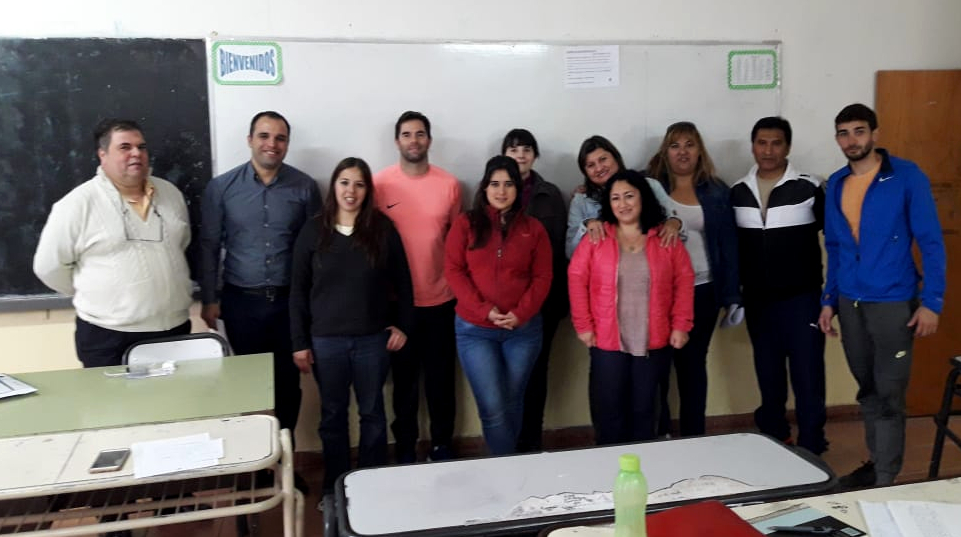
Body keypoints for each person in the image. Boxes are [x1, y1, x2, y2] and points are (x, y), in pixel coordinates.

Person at [818, 103, 945, 487]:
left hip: (893, 302)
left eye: (859, 131)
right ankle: (876, 464)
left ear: (875, 133)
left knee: (890, 394)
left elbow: (931, 241)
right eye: (843, 133)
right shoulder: (837, 183)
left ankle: (886, 478)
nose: (851, 140)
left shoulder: (906, 177)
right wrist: (828, 300)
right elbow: (837, 249)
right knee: (868, 390)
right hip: (850, 302)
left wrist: (932, 302)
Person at [289, 157, 414, 491]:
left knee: (373, 414)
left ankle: (369, 486)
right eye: (344, 182)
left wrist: (403, 325)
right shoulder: (313, 230)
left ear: (367, 190)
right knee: (332, 417)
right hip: (326, 342)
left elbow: (403, 282)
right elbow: (298, 290)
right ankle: (336, 487)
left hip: (372, 341)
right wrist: (299, 342)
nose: (351, 191)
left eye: (359, 184)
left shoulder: (382, 228)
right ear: (334, 186)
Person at [199, 111, 321, 446]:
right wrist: (209, 299)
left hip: (287, 304)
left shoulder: (305, 187)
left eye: (280, 138)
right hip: (241, 303)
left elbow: (315, 251)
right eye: (265, 136)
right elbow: (209, 245)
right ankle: (254, 460)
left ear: (287, 144)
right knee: (248, 386)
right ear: (250, 140)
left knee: (286, 383)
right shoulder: (221, 188)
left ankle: (287, 457)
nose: (272, 144)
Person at [33, 118, 193, 367]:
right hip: (108, 336)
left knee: (175, 404)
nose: (136, 154)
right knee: (114, 407)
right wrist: (95, 292)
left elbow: (180, 245)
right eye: (125, 147)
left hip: (174, 329)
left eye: (141, 147)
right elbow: (48, 267)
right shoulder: (78, 204)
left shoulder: (171, 195)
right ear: (102, 154)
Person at [568, 169, 694, 444]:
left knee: (646, 411)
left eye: (629, 196)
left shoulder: (665, 238)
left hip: (653, 340)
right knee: (609, 411)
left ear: (643, 198)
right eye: (615, 198)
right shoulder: (597, 237)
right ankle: (610, 469)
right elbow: (576, 279)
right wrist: (583, 326)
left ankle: (647, 471)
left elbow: (684, 280)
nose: (622, 204)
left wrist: (681, 325)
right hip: (606, 340)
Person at [730, 117, 828, 455]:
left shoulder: (809, 187)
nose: (768, 150)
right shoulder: (737, 192)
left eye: (776, 143)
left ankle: (812, 445)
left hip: (803, 300)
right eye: (761, 142)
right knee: (769, 377)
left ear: (787, 147)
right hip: (758, 302)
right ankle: (775, 440)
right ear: (753, 145)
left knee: (808, 376)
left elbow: (838, 238)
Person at [444, 155, 552, 455]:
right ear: (484, 187)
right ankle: (505, 468)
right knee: (493, 407)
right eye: (494, 183)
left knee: (514, 400)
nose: (501, 191)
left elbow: (543, 276)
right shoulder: (466, 224)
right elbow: (454, 270)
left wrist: (520, 313)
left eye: (508, 184)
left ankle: (508, 466)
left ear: (518, 189)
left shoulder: (534, 228)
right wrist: (483, 310)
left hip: (523, 330)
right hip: (475, 330)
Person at [374, 111, 462, 462]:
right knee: (404, 387)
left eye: (420, 134)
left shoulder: (450, 184)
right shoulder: (379, 185)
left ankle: (442, 446)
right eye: (407, 134)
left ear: (429, 140)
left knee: (442, 384)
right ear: (397, 141)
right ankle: (406, 451)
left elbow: (457, 245)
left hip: (441, 301)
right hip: (398, 305)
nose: (414, 140)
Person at [646, 121, 740, 437]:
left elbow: (729, 246)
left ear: (699, 150)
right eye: (675, 145)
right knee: (656, 368)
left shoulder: (716, 191)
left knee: (692, 367)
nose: (682, 152)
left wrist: (731, 296)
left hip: (703, 291)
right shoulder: (650, 188)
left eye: (689, 144)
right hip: (658, 293)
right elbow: (616, 200)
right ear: (665, 151)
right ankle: (659, 436)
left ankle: (693, 438)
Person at [501, 128, 568, 452]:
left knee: (536, 373)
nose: (520, 156)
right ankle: (507, 444)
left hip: (544, 301)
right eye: (513, 150)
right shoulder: (493, 192)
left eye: (526, 149)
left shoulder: (550, 194)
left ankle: (531, 442)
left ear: (535, 155)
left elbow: (559, 250)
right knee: (506, 377)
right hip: (502, 306)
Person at [566, 135, 678, 260]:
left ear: (616, 157)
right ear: (585, 172)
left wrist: (673, 223)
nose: (599, 168)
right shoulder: (581, 200)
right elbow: (571, 252)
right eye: (591, 165)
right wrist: (586, 226)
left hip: (654, 264)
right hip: (604, 273)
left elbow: (674, 223)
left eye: (603, 159)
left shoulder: (650, 185)